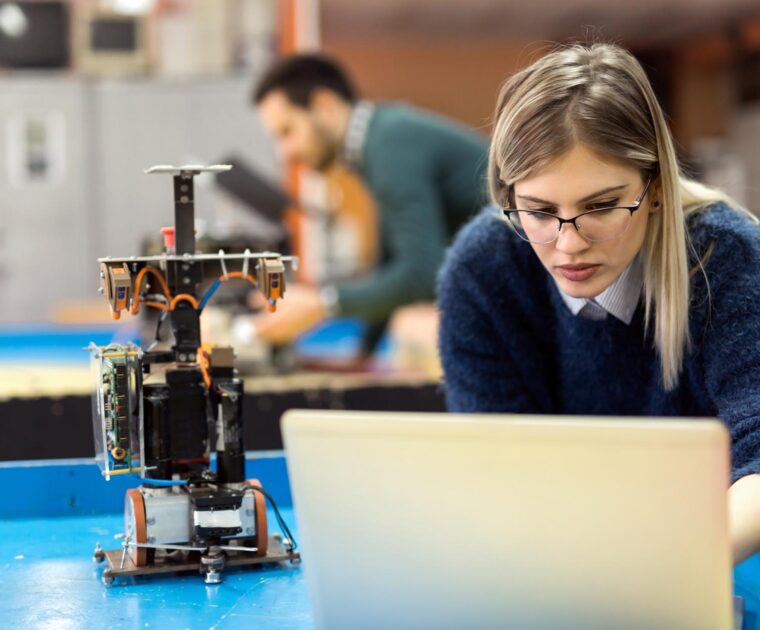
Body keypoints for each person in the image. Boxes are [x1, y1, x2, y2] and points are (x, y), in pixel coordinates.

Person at [437, 42, 760, 564]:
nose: (568, 245)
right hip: (555, 559)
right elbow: (500, 470)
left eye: (603, 206)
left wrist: (676, 569)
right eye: (539, 212)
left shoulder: (725, 257)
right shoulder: (483, 272)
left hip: (716, 557)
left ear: (654, 188)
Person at [251, 54, 488, 353]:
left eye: (287, 132)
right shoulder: (380, 139)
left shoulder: (389, 145)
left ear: (324, 105)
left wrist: (322, 303)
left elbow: (422, 274)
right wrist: (362, 356)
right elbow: (389, 262)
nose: (285, 154)